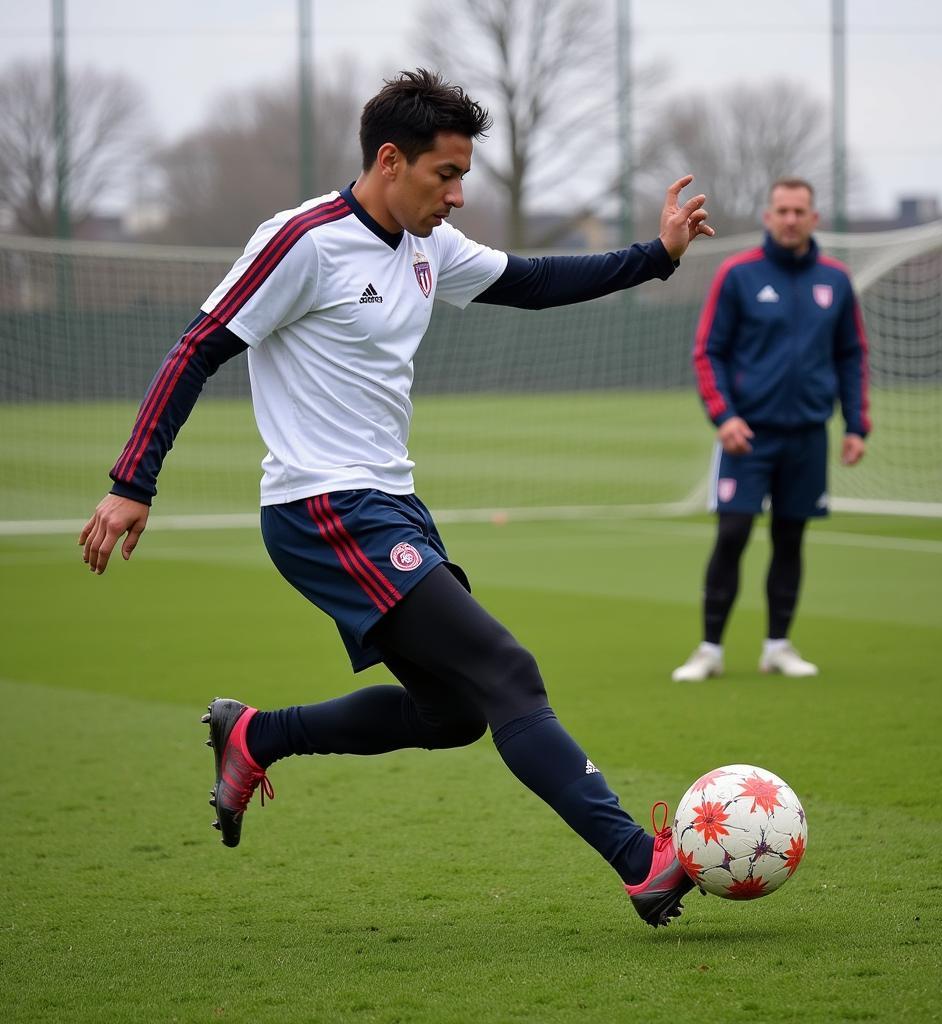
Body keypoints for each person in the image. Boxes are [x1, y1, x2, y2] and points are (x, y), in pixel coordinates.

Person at [79, 69, 715, 928]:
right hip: (322, 508)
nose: (457, 195)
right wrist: (132, 483)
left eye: (462, 176)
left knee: (454, 713)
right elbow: (197, 348)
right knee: (508, 673)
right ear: (389, 159)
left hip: (389, 506)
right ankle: (643, 865)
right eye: (444, 175)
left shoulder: (427, 247)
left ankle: (256, 736)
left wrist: (657, 255)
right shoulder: (301, 240)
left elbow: (531, 280)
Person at [671, 177, 870, 683]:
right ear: (768, 216)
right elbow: (707, 351)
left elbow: (852, 355)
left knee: (790, 538)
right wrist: (725, 416)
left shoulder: (836, 280)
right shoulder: (737, 275)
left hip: (807, 435)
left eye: (799, 211)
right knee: (733, 533)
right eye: (782, 210)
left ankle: (777, 646)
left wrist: (856, 424)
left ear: (814, 218)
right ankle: (709, 649)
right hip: (747, 435)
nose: (790, 219)